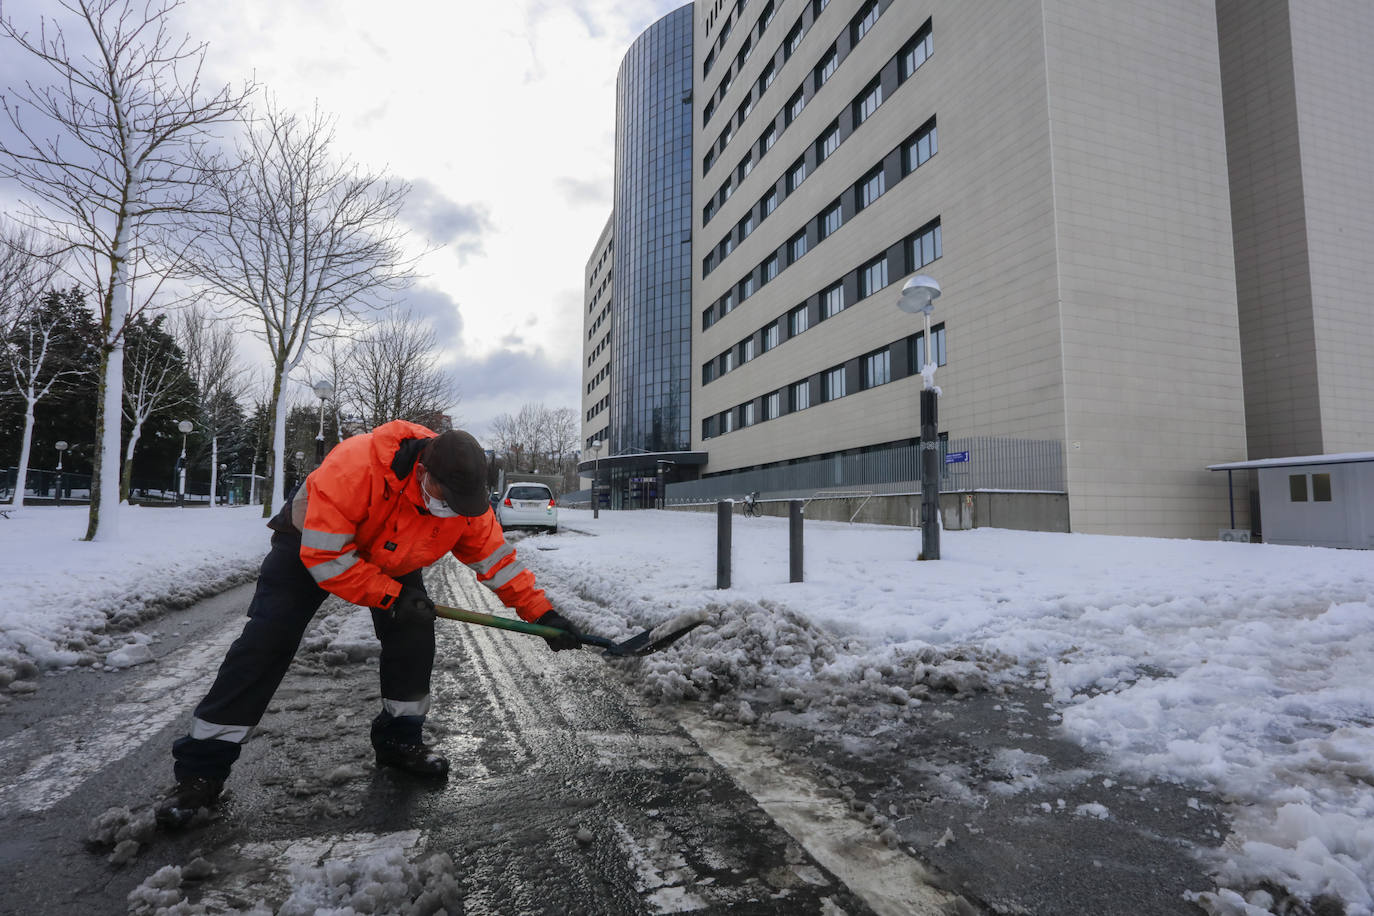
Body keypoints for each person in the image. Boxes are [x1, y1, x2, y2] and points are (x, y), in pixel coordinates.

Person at [156, 420, 579, 829]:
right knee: (268, 638)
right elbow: (326, 559)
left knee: (414, 634)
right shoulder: (357, 467)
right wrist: (393, 597)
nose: (448, 507)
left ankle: (399, 739)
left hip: (395, 552)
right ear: (422, 470)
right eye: (442, 495)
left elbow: (497, 563)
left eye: (459, 502)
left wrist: (543, 615)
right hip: (312, 543)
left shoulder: (465, 505)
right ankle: (201, 772)